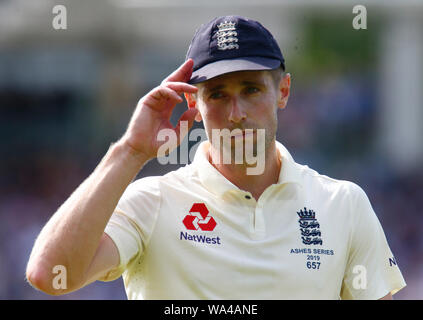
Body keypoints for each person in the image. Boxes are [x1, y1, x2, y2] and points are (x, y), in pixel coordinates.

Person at [26, 15, 406, 300]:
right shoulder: (152, 201)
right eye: (218, 94)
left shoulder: (343, 204)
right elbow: (51, 274)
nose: (236, 112)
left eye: (252, 90)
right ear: (193, 102)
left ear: (283, 91)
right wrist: (130, 150)